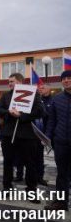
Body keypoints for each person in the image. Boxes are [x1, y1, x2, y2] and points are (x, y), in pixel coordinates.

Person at [0, 73, 43, 203]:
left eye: (12, 81)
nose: (10, 84)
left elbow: (40, 111)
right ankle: (7, 187)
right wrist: (8, 112)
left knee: (30, 163)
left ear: (20, 82)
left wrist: (21, 115)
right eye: (9, 81)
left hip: (27, 135)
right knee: (8, 162)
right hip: (9, 134)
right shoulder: (6, 96)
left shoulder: (33, 94)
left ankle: (31, 190)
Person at [44, 70, 71, 211]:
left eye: (69, 78)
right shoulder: (57, 99)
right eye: (64, 78)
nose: (66, 80)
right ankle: (61, 202)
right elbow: (51, 121)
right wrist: (48, 137)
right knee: (62, 174)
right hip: (60, 142)